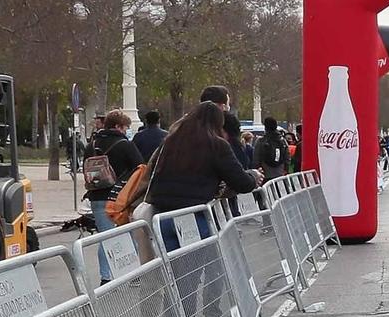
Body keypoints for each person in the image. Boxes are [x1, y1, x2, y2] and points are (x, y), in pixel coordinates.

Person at [146, 102, 262, 246]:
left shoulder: (170, 142)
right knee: (202, 264)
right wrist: (253, 176)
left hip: (162, 214)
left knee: (173, 266)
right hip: (195, 214)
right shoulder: (216, 145)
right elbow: (241, 181)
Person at [82, 111, 142, 272]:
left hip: (97, 196)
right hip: (121, 197)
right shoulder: (125, 145)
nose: (126, 131)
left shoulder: (91, 145)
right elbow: (140, 168)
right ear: (118, 126)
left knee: (105, 237)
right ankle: (133, 271)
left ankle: (106, 276)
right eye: (126, 127)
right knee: (129, 234)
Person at [256, 117, 291, 181]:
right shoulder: (282, 140)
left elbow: (256, 157)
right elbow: (287, 157)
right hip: (280, 173)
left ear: (265, 127)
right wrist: (286, 169)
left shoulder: (261, 140)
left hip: (265, 173)